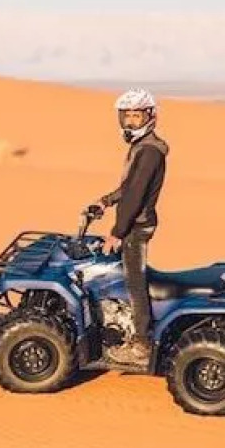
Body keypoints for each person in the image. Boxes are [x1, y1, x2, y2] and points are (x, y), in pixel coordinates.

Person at [93, 88, 169, 367]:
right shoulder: (142, 147)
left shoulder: (149, 150)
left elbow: (135, 195)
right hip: (133, 222)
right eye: (127, 116)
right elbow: (127, 189)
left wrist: (117, 231)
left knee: (134, 281)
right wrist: (106, 200)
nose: (131, 122)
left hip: (137, 226)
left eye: (137, 115)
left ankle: (141, 345)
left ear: (150, 116)